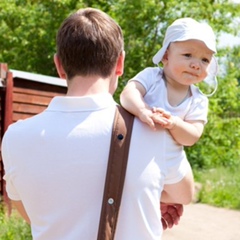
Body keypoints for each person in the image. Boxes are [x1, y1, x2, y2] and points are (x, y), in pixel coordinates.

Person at [2, 8, 194, 240]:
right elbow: (184, 193)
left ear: (59, 66)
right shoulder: (153, 131)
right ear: (120, 63)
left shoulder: (15, 138)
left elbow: (34, 215)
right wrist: (143, 202)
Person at [120, 17, 218, 174]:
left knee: (185, 194)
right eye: (187, 55)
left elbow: (192, 137)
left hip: (169, 164)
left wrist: (174, 123)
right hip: (135, 157)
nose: (196, 64)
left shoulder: (198, 99)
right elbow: (128, 94)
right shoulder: (152, 77)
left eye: (205, 60)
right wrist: (143, 110)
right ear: (166, 56)